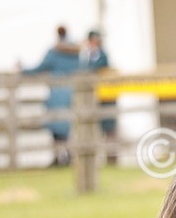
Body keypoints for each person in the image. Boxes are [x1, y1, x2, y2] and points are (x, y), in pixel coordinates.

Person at [22, 25, 83, 167]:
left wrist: (23, 69)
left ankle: (58, 156)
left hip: (57, 92)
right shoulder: (76, 52)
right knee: (67, 125)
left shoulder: (54, 52)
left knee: (55, 126)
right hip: (71, 92)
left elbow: (39, 68)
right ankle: (68, 155)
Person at [82, 29, 119, 164]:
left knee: (109, 128)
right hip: (96, 98)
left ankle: (112, 158)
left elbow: (95, 70)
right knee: (99, 129)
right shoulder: (88, 56)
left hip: (106, 97)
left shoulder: (101, 56)